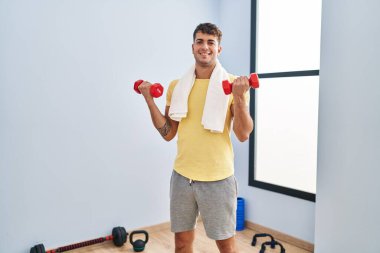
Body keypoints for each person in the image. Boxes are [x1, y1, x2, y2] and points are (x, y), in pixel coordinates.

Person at [137, 23, 253, 253]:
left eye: (211, 42)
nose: (205, 47)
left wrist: (239, 98)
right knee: (181, 243)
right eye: (200, 41)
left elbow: (243, 134)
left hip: (218, 179)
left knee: (226, 246)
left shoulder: (232, 84)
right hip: (182, 178)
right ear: (192, 47)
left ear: (219, 49)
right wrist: (149, 100)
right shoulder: (176, 87)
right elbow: (169, 133)